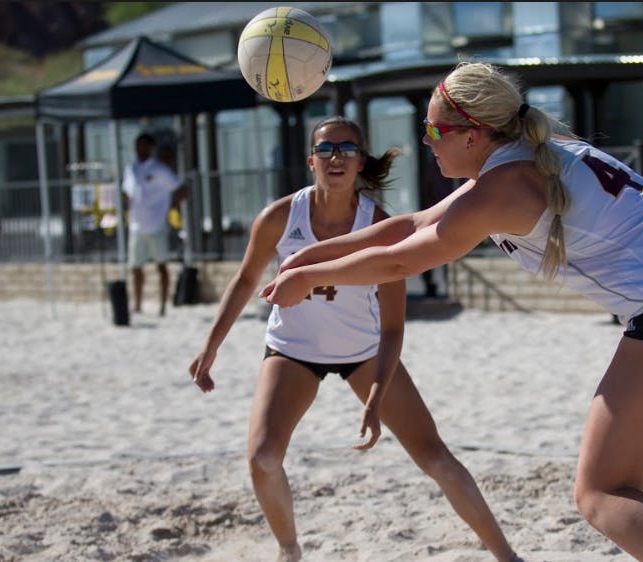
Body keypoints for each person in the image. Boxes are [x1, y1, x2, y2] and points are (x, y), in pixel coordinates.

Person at [259, 63, 643, 561]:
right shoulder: (537, 151)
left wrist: (311, 277)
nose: (425, 141)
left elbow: (400, 261)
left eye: (433, 129)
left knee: (602, 492)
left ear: (472, 134)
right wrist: (313, 254)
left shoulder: (502, 189)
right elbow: (412, 224)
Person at [188, 116, 522, 562]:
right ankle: (289, 549)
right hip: (292, 351)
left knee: (436, 457)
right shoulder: (279, 217)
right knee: (263, 458)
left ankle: (507, 556)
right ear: (311, 161)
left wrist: (377, 395)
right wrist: (211, 346)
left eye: (347, 149)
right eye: (326, 149)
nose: (336, 157)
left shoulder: (379, 224)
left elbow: (393, 327)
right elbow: (246, 280)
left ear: (361, 161)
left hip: (364, 352)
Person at [121, 132, 187, 316]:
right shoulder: (131, 169)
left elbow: (182, 189)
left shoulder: (160, 169)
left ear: (150, 147)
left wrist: (169, 207)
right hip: (136, 225)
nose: (139, 149)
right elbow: (127, 192)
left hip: (157, 224)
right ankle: (137, 304)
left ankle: (163, 306)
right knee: (135, 267)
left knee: (162, 265)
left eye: (143, 145)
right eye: (137, 145)